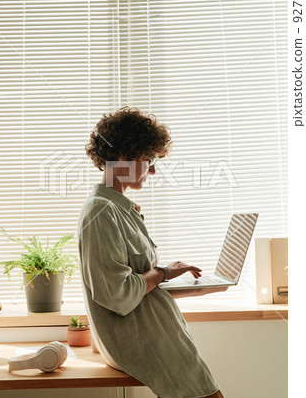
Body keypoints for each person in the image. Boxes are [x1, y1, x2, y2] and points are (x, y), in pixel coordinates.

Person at [78, 106, 227, 398]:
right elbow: (116, 294)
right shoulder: (101, 212)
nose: (154, 170)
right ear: (123, 156)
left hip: (156, 329)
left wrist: (194, 286)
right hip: (144, 337)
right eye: (149, 160)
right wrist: (162, 273)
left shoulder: (117, 208)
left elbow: (139, 283)